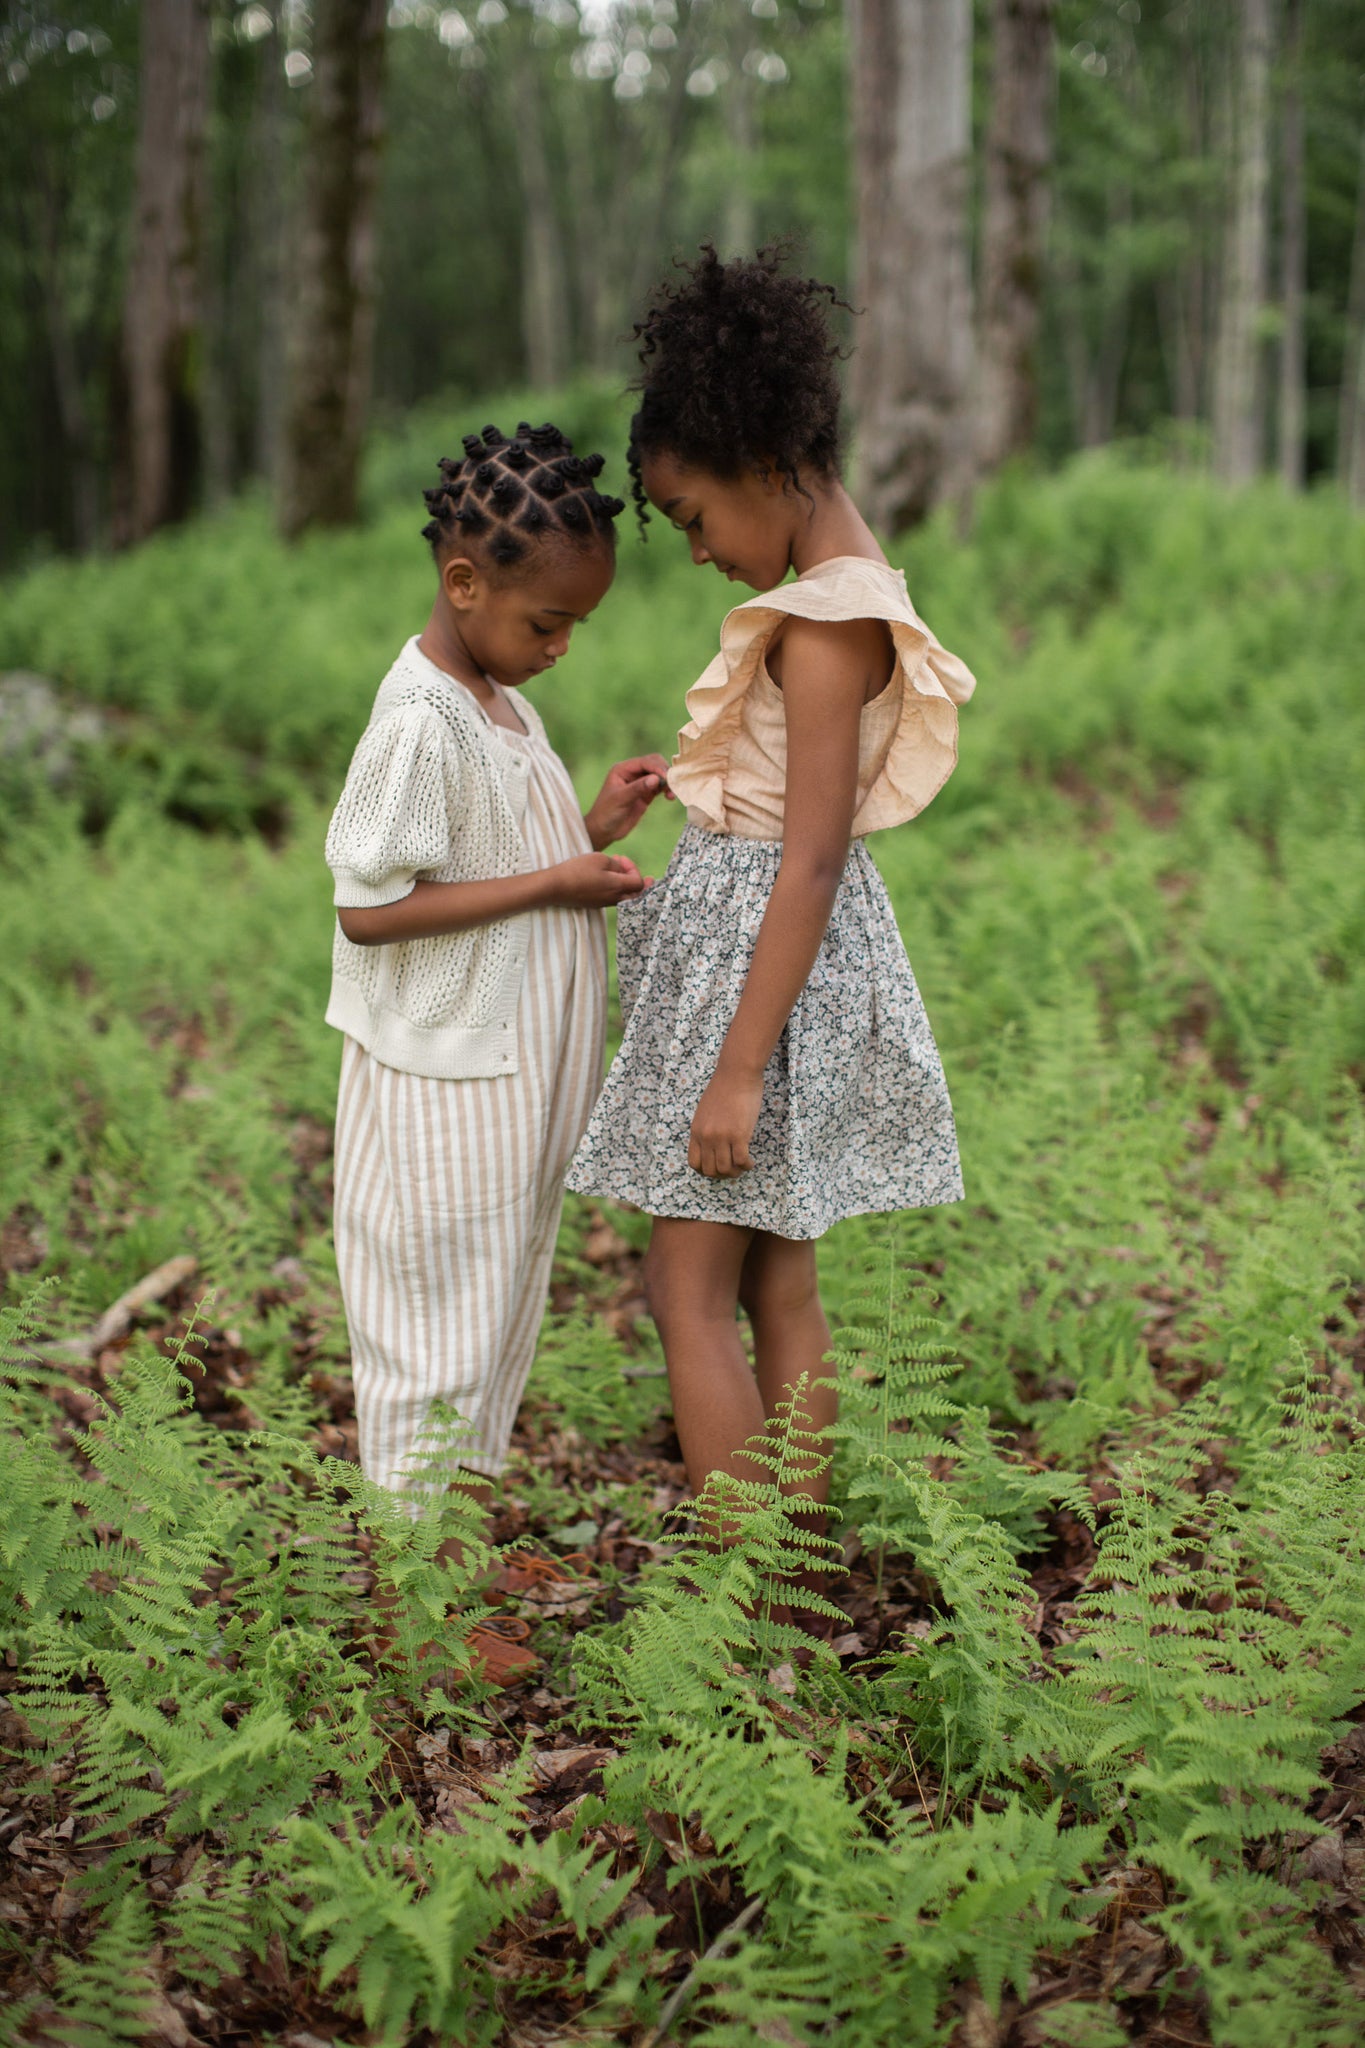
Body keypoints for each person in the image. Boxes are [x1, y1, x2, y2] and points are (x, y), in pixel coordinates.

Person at [567, 250, 976, 1577]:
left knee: (685, 1287)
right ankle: (795, 1571)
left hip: (760, 972)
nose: (693, 549)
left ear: (762, 455)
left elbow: (805, 860)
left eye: (692, 515)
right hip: (771, 955)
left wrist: (736, 1071)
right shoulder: (846, 593)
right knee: (773, 1278)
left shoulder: (821, 623)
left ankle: (752, 1599)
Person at [324, 422, 670, 1681]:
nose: (560, 646)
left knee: (496, 1302)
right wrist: (553, 880)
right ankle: (417, 1605)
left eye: (575, 624)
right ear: (465, 584)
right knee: (434, 1325)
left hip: (509, 1076)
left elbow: (497, 864)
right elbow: (371, 906)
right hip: (444, 1081)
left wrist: (593, 827)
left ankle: (456, 1540)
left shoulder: (502, 702)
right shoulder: (421, 718)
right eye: (546, 621)